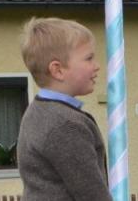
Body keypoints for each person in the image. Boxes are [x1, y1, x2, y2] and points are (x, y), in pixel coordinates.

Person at [16, 17, 111, 201]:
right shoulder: (66, 125)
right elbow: (91, 194)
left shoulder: (36, 111)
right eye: (89, 58)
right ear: (58, 70)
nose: (96, 66)